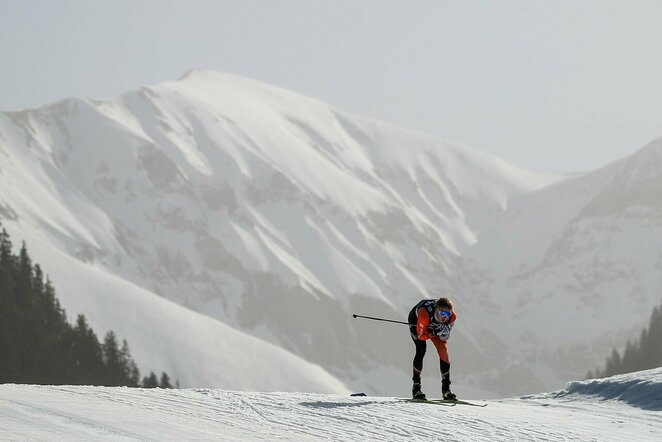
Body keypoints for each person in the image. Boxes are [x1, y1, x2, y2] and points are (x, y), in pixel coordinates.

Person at [408, 297, 457, 400]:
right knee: (421, 349)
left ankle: (446, 390)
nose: (446, 318)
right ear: (437, 310)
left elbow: (446, 336)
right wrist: (433, 332)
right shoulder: (424, 315)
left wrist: (444, 332)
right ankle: (416, 388)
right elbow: (421, 336)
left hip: (433, 325)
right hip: (417, 321)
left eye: (448, 314)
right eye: (443, 314)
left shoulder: (452, 317)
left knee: (444, 352)